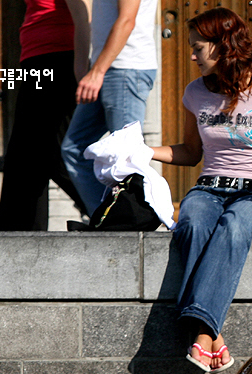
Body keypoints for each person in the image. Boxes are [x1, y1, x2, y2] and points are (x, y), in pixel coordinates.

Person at [150, 8, 252, 374]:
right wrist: (143, 151)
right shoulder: (194, 93)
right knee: (193, 223)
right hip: (208, 188)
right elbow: (189, 153)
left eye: (198, 48)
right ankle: (212, 336)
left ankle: (200, 333)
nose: (193, 55)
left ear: (223, 46)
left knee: (233, 226)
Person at [0, 0, 89, 230]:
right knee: (27, 158)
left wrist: (82, 70)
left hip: (59, 58)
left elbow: (84, 13)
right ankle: (18, 240)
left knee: (51, 153)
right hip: (37, 60)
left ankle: (113, 210)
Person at [60, 0, 157, 215]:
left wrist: (97, 71)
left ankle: (133, 225)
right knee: (75, 150)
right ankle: (108, 218)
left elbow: (126, 21)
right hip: (107, 68)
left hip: (125, 69)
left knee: (125, 158)